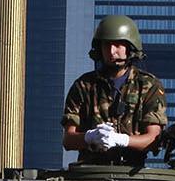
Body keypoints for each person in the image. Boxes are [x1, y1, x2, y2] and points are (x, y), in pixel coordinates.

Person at [61, 15, 167, 165]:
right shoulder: (84, 85)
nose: (112, 51)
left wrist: (122, 140)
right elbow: (68, 139)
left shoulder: (148, 85)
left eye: (118, 45)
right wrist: (89, 137)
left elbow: (153, 139)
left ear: (130, 47)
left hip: (131, 172)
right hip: (90, 172)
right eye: (106, 45)